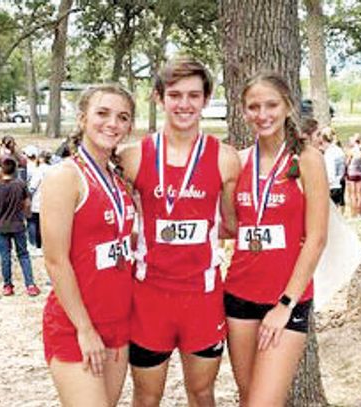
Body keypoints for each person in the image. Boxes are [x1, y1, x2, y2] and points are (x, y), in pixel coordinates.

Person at [118, 55, 240, 406]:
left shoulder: (224, 157)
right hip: (148, 296)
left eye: (193, 95)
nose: (184, 104)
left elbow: (230, 224)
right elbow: (120, 225)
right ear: (159, 98)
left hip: (202, 297)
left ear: (205, 99)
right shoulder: (133, 157)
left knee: (202, 393)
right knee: (146, 395)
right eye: (175, 95)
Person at [223, 71, 328, 406]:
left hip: (286, 300)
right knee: (247, 396)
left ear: (287, 107)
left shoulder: (308, 160)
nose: (262, 114)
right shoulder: (239, 162)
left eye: (271, 105)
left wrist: (285, 304)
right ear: (243, 111)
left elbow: (317, 239)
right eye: (253, 106)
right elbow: (230, 227)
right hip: (238, 294)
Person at [42, 84, 136, 407]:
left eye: (122, 117)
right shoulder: (64, 177)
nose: (113, 123)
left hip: (119, 322)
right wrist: (84, 328)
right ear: (83, 119)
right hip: (76, 326)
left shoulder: (119, 178)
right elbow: (55, 261)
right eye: (103, 113)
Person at [0, 157, 40, 296]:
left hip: (1, 225)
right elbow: (27, 203)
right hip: (18, 225)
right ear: (15, 170)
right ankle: (30, 284)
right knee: (23, 255)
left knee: (5, 256)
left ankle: (7, 285)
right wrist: (25, 214)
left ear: (2, 169)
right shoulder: (20, 184)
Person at [27, 150, 51, 256]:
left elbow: (33, 186)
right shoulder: (53, 169)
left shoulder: (39, 170)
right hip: (50, 200)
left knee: (34, 223)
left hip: (38, 200)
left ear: (41, 158)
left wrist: (27, 196)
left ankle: (36, 245)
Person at [319, 127, 346, 207]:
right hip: (338, 184)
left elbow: (330, 173)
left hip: (331, 187)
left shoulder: (330, 153)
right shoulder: (339, 150)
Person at [345, 134, 361, 217]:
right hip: (360, 172)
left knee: (352, 194)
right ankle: (360, 212)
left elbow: (347, 162)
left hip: (351, 172)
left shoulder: (351, 151)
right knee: (360, 194)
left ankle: (354, 212)